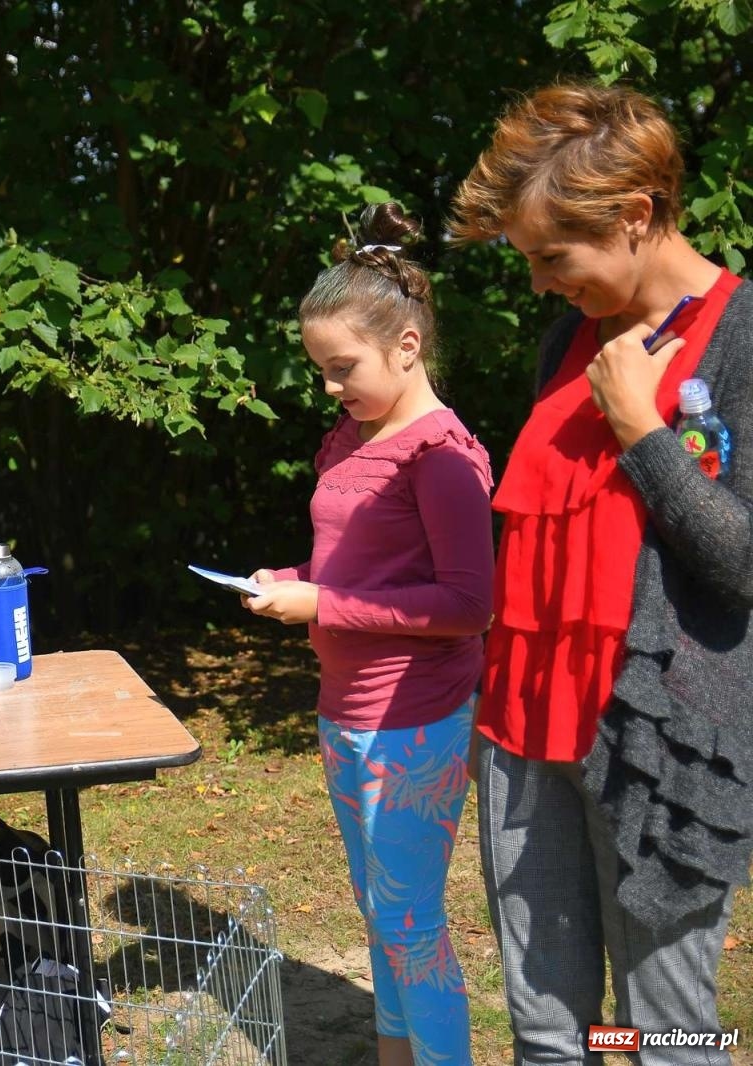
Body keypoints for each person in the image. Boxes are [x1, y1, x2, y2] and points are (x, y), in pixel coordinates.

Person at [451, 83, 749, 1064]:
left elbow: (740, 560)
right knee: (548, 1027)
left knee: (665, 1031)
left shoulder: (738, 340)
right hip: (524, 730)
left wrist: (644, 428)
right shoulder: (569, 336)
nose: (538, 282)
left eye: (550, 257)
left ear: (633, 216)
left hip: (657, 752)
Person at [244, 202, 494, 1066]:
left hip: (415, 718)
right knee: (378, 909)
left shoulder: (442, 457)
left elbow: (468, 604)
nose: (329, 386)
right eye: (319, 368)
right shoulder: (349, 440)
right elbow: (360, 572)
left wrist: (326, 607)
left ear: (407, 348)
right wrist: (295, 583)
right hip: (344, 710)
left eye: (341, 366)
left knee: (411, 923)